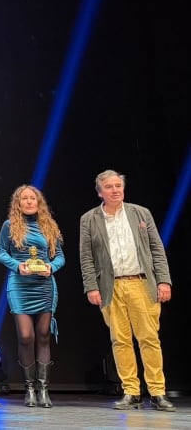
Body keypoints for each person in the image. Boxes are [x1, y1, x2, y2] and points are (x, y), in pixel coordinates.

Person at [79, 170, 174, 412]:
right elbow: (86, 257)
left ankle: (157, 392)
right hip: (111, 286)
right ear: (100, 192)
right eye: (109, 186)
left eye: (118, 185)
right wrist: (91, 286)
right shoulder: (89, 219)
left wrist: (164, 281)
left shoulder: (140, 213)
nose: (115, 190)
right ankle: (131, 392)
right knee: (120, 340)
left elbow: (157, 249)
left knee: (149, 339)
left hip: (141, 283)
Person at [0, 184, 64, 408]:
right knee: (26, 336)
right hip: (19, 285)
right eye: (24, 198)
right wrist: (18, 266)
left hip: (44, 285)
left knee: (43, 335)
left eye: (32, 198)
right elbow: (1, 253)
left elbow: (60, 256)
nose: (28, 202)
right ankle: (29, 388)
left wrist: (51, 267)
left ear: (38, 202)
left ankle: (43, 389)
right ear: (18, 203)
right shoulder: (9, 225)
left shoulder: (49, 226)